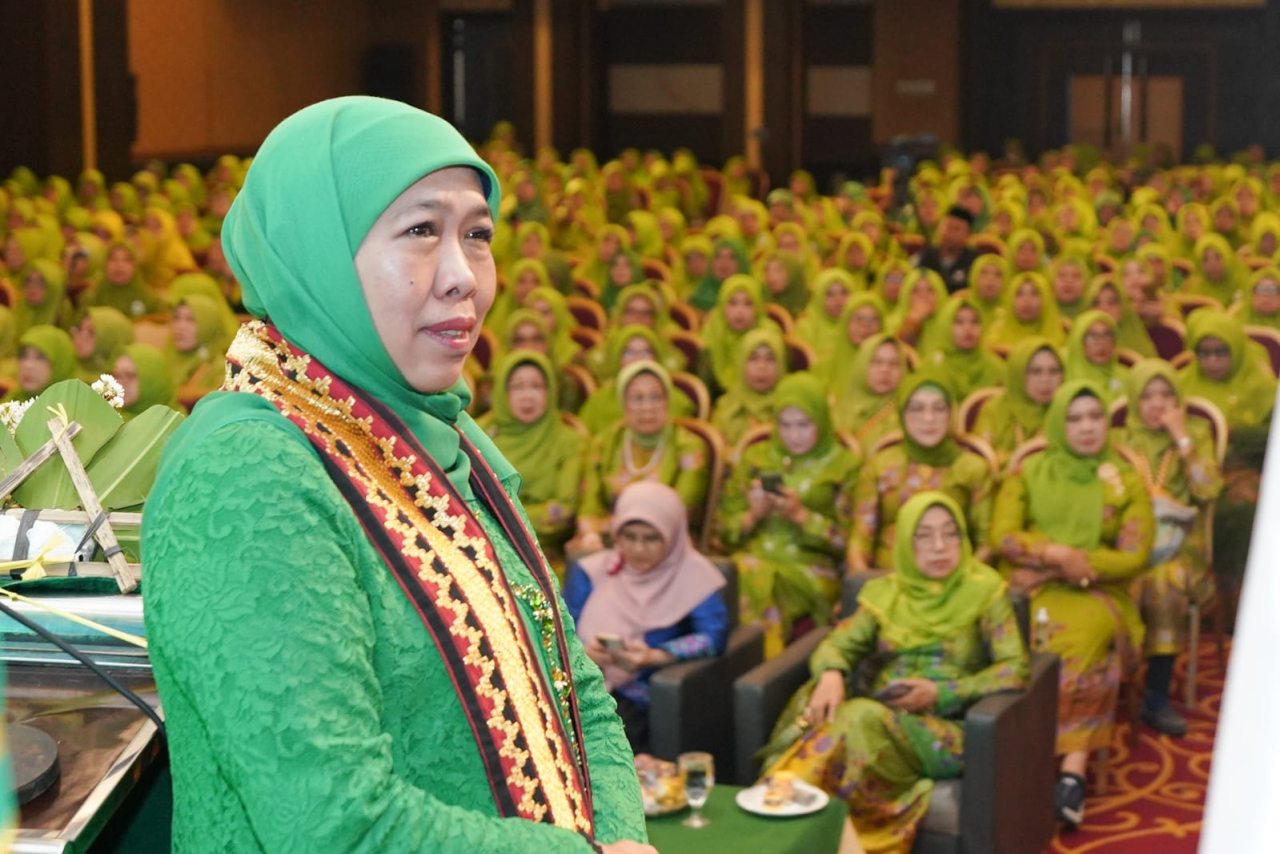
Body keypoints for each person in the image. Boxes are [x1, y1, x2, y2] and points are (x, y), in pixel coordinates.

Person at [142, 97, 651, 853]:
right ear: (313, 248)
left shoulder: (443, 432)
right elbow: (333, 824)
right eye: (419, 231)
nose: (463, 278)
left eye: (476, 235)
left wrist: (621, 836)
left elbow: (571, 689)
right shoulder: (249, 472)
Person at [758, 491, 1028, 854]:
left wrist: (943, 692)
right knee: (844, 712)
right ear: (904, 542)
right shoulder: (886, 594)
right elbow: (834, 644)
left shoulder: (986, 592)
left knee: (858, 716)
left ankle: (772, 812)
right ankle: (814, 835)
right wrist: (832, 674)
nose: (939, 547)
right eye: (924, 536)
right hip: (883, 719)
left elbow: (1015, 668)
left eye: (950, 534)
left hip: (950, 730)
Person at [990, 381, 1154, 830]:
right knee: (1009, 641)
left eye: (1095, 417)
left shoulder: (1125, 481)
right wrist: (1055, 554)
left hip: (1097, 592)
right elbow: (1001, 535)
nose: (1086, 428)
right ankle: (1015, 756)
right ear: (1058, 423)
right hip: (1031, 590)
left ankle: (1071, 771)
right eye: (1074, 418)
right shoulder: (1028, 472)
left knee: (1079, 643)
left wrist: (1053, 564)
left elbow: (1134, 555)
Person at [564, 482, 729, 754]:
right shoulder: (592, 571)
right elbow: (561, 629)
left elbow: (714, 636)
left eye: (651, 538)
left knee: (607, 742)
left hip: (639, 693)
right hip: (581, 682)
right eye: (629, 537)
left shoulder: (694, 575)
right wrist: (582, 654)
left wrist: (655, 656)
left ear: (673, 535)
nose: (638, 549)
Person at [1113, 360, 1222, 737]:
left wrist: (1182, 437)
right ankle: (1109, 688)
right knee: (1110, 575)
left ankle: (1155, 697)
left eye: (1166, 395)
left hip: (1181, 545)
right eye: (1147, 396)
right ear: (1133, 401)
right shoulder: (1120, 440)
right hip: (1132, 539)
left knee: (1163, 581)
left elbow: (1208, 489)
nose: (1157, 404)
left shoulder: (1196, 432)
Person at [717, 373, 859, 657]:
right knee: (737, 573)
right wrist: (753, 516)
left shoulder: (845, 465)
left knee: (753, 577)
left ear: (821, 420)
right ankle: (758, 673)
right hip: (753, 559)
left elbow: (849, 541)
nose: (794, 435)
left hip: (810, 567)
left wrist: (802, 516)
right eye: (785, 425)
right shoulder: (756, 458)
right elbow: (723, 530)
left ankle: (754, 666)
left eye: (804, 425)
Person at [848, 372, 994, 572]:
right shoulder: (881, 465)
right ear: (902, 414)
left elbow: (985, 544)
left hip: (953, 582)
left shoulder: (973, 469)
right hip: (889, 579)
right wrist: (868, 585)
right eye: (917, 409)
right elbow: (861, 538)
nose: (928, 418)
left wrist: (961, 583)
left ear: (951, 414)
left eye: (939, 408)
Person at [575, 359, 709, 551]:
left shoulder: (689, 447)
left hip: (664, 542)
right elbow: (590, 501)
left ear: (667, 401)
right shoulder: (604, 443)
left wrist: (624, 531)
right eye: (637, 398)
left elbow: (680, 509)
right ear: (624, 403)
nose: (647, 407)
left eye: (655, 397)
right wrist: (591, 534)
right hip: (606, 541)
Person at [479, 351, 587, 571]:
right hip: (483, 550)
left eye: (537, 386)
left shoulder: (571, 442)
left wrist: (498, 518)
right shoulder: (479, 435)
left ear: (551, 392)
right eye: (517, 387)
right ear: (502, 392)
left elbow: (563, 512)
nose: (527, 396)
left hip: (544, 556)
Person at [974, 337, 1064, 468]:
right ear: (1018, 373)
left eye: (1054, 371)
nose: (1046, 380)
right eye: (1036, 371)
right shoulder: (994, 410)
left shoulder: (1069, 411)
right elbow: (982, 460)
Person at [710, 325, 788, 447]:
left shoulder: (792, 408)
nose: (762, 367)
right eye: (753, 359)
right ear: (741, 364)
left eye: (770, 359)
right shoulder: (726, 408)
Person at [831, 333, 910, 449]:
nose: (885, 370)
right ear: (861, 366)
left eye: (894, 364)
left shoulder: (909, 414)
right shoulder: (838, 414)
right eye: (876, 362)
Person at [925, 295, 1004, 400]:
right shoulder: (932, 366)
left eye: (975, 322)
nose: (968, 328)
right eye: (959, 322)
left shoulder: (996, 366)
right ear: (946, 326)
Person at [1062, 309, 1128, 405]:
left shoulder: (1125, 377)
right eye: (1093, 336)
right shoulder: (1063, 377)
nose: (1101, 343)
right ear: (1078, 341)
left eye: (1107, 335)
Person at [916, 205, 979, 294]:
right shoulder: (926, 257)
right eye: (946, 227)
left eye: (956, 229)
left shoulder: (974, 262)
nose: (949, 233)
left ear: (968, 235)